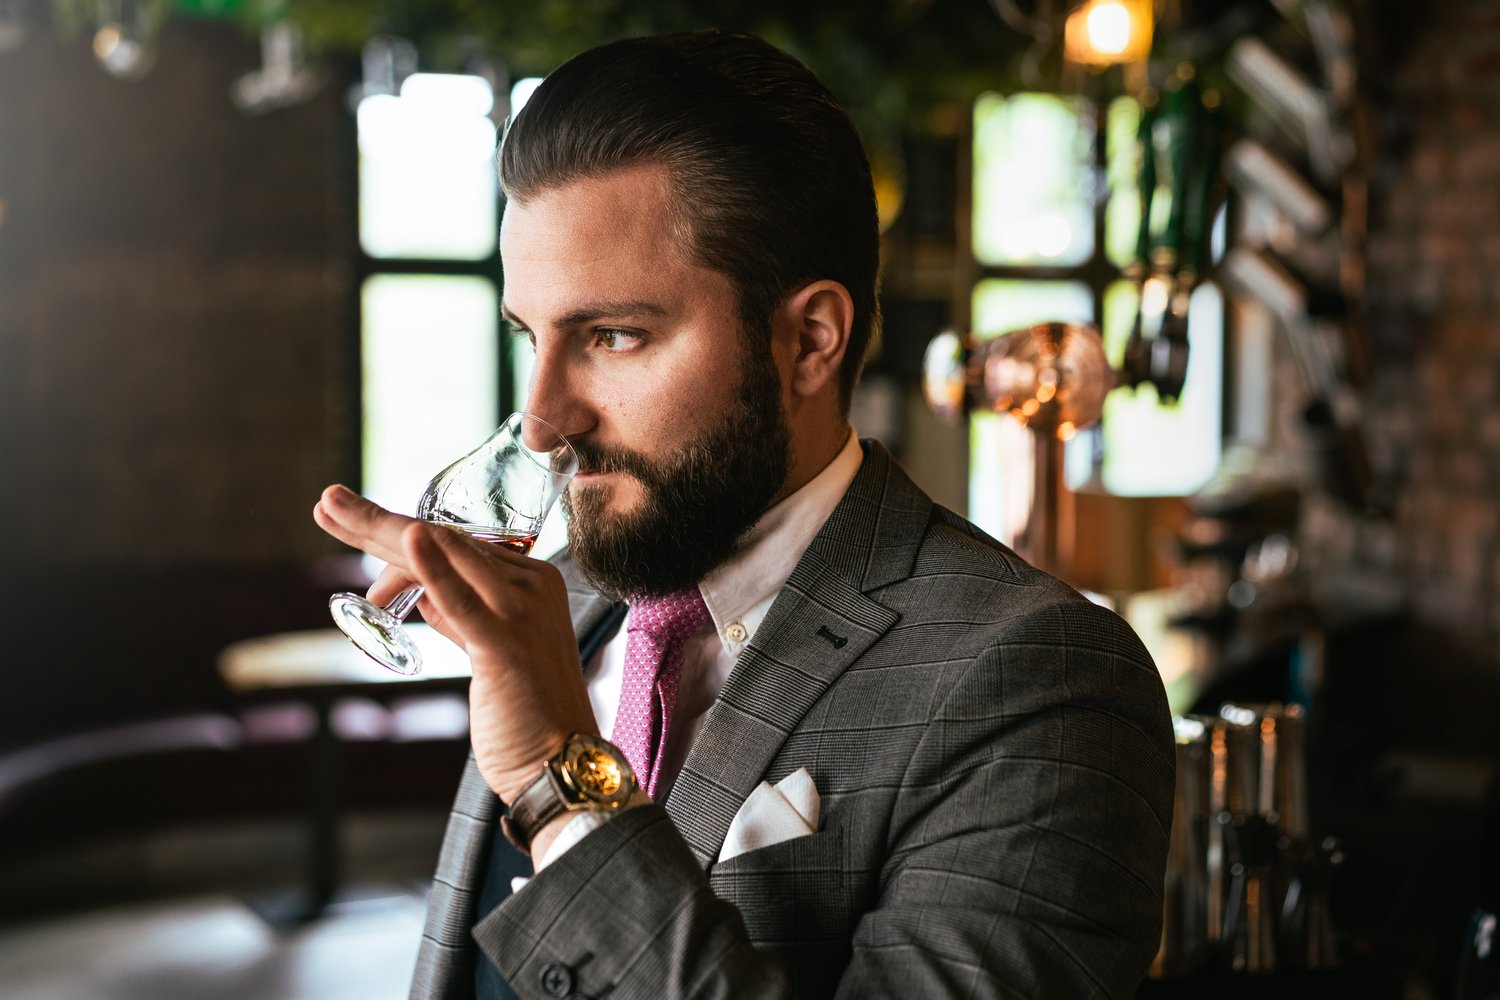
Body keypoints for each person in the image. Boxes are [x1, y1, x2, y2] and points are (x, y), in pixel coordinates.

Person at [314, 30, 1174, 1000]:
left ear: (810, 341)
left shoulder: (1045, 681)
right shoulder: (566, 597)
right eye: (531, 335)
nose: (545, 418)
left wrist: (565, 781)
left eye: (614, 335)